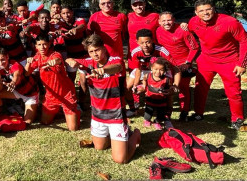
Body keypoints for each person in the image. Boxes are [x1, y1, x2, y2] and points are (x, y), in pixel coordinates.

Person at [66, 35, 141, 164]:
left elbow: (117, 67)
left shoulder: (115, 60)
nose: (95, 54)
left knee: (120, 159)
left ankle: (135, 134)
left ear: (104, 48)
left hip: (116, 115)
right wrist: (71, 60)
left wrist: (103, 70)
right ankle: (116, 138)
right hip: (97, 115)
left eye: (97, 50)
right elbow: (68, 59)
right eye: (91, 51)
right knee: (99, 147)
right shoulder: (88, 62)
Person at [188, 0, 247, 129]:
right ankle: (198, 114)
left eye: (208, 9)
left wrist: (242, 63)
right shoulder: (193, 22)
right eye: (201, 10)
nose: (205, 13)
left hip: (229, 61)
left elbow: (244, 41)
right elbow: (188, 32)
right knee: (200, 88)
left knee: (234, 92)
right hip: (206, 60)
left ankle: (237, 119)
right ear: (196, 12)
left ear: (214, 9)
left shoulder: (229, 22)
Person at [26, 34, 80, 131]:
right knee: (45, 122)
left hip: (66, 94)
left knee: (73, 128)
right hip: (51, 95)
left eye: (45, 44)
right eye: (39, 44)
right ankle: (59, 111)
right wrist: (28, 62)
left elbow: (58, 60)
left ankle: (74, 110)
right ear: (36, 46)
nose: (42, 47)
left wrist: (54, 62)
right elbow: (27, 73)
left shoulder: (55, 54)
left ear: (49, 44)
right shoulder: (37, 57)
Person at [156, 11, 200, 121]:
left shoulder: (183, 30)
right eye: (164, 21)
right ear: (159, 22)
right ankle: (166, 112)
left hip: (182, 65)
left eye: (169, 20)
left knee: (183, 88)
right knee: (165, 87)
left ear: (174, 20)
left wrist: (188, 62)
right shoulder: (158, 31)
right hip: (166, 64)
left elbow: (194, 47)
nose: (166, 23)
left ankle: (184, 112)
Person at [127, 29, 181, 113]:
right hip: (143, 70)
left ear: (152, 40)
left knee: (169, 90)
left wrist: (175, 85)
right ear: (137, 42)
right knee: (127, 87)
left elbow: (176, 69)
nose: (145, 45)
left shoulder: (161, 50)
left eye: (148, 42)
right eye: (142, 43)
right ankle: (133, 108)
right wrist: (135, 85)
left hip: (160, 70)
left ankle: (168, 112)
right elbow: (138, 69)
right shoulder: (135, 52)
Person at [0, 48, 39, 124]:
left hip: (30, 94)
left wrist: (13, 83)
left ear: (7, 57)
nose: (1, 63)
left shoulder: (14, 64)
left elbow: (16, 76)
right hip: (17, 91)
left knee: (27, 122)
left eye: (2, 59)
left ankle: (36, 106)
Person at [127, 0, 159, 70]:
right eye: (135, 5)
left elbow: (167, 22)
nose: (138, 7)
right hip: (134, 53)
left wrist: (182, 24)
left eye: (140, 4)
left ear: (144, 4)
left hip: (151, 53)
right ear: (132, 6)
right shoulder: (128, 17)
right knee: (135, 78)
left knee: (152, 78)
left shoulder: (154, 16)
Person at [140, 58, 173, 130]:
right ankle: (147, 120)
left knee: (161, 115)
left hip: (161, 101)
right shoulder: (148, 76)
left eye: (161, 70)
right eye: (155, 69)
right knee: (148, 113)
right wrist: (144, 86)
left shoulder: (166, 79)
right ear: (151, 68)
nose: (158, 72)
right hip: (150, 99)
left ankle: (157, 122)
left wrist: (168, 91)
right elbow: (144, 80)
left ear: (165, 70)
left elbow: (169, 88)